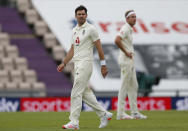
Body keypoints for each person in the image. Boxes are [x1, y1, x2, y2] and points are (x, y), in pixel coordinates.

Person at [57, 5, 113, 129]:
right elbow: (72, 49)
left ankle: (74, 122)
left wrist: (103, 65)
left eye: (83, 14)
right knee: (85, 92)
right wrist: (64, 62)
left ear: (86, 15)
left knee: (76, 91)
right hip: (77, 64)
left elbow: (99, 47)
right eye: (79, 14)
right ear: (75, 16)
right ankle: (104, 114)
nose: (81, 16)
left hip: (86, 63)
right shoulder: (74, 30)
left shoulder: (91, 29)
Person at [114, 10, 147, 120]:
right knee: (124, 86)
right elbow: (117, 40)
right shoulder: (125, 28)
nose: (134, 19)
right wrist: (126, 52)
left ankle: (134, 112)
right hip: (125, 60)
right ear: (127, 19)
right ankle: (120, 113)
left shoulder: (130, 29)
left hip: (129, 60)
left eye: (135, 17)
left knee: (134, 86)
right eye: (132, 17)